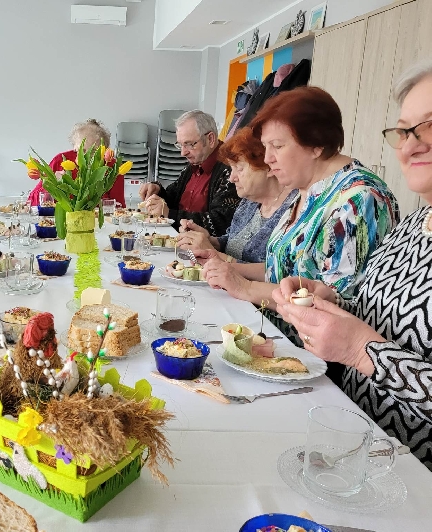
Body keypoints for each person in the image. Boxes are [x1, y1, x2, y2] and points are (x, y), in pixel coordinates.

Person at [272, 62, 432, 470]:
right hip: (356, 444)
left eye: (429, 127)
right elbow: (376, 312)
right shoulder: (416, 224)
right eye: (404, 131)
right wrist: (328, 299)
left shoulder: (363, 198)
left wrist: (363, 351)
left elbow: (366, 343)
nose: (410, 146)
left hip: (415, 474)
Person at [192, 87, 398, 343]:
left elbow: (334, 307)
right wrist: (229, 268)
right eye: (266, 147)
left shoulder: (359, 200)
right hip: (271, 333)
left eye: (277, 146)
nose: (268, 159)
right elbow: (284, 268)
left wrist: (246, 288)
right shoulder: (307, 189)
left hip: (311, 354)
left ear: (316, 145)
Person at [177, 127, 297, 264]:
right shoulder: (249, 201)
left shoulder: (293, 211)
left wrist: (212, 252)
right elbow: (233, 240)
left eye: (239, 169)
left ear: (268, 167)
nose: (231, 178)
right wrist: (210, 240)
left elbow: (273, 272)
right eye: (232, 168)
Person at [139, 110, 240, 234]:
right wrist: (157, 190)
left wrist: (170, 214)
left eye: (189, 144)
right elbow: (173, 197)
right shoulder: (194, 164)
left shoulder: (230, 169)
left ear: (210, 139)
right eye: (180, 145)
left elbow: (221, 223)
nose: (183, 153)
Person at [27, 118, 125, 207]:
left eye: (94, 151)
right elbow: (31, 203)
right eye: (82, 151)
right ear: (74, 147)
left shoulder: (113, 167)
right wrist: (51, 184)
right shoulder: (61, 161)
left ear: (104, 150)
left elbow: (119, 207)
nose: (86, 157)